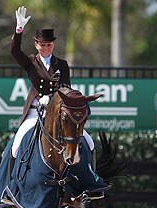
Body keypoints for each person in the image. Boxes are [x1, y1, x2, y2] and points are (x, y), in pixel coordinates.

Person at [10, 6, 95, 160]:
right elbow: (15, 51)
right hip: (35, 112)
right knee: (16, 147)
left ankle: (91, 175)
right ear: (36, 45)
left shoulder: (61, 64)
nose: (45, 48)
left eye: (48, 45)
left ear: (53, 45)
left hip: (56, 111)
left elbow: (65, 87)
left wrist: (53, 98)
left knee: (89, 142)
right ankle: (11, 182)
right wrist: (19, 30)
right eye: (42, 45)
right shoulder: (31, 62)